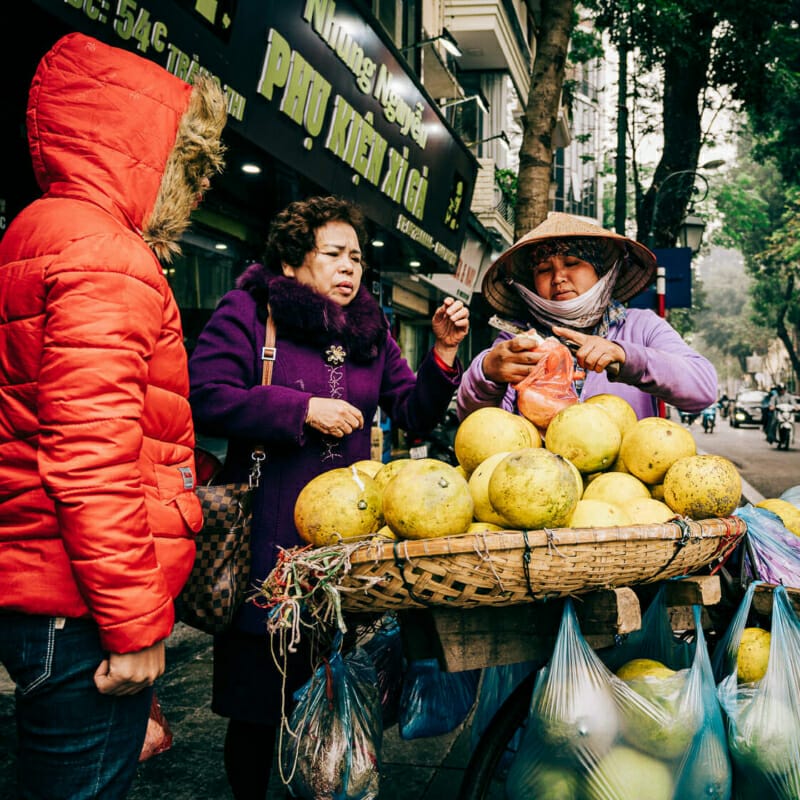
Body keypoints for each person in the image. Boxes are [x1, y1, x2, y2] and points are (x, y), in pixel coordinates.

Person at [0, 33, 227, 798]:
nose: (193, 191)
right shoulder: (104, 254)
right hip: (81, 608)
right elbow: (90, 455)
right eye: (188, 166)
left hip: (50, 588)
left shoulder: (39, 231)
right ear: (141, 148)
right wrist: (134, 628)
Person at [188, 195, 469, 799]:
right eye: (334, 254)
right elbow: (205, 393)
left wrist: (443, 354)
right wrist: (300, 409)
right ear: (293, 262)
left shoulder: (372, 328)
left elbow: (414, 414)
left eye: (357, 258)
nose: (350, 268)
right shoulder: (249, 310)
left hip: (348, 551)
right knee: (258, 708)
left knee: (341, 695)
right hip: (267, 546)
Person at [458, 212, 717, 421]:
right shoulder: (518, 340)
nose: (558, 278)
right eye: (544, 269)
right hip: (537, 479)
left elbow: (702, 389)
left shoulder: (642, 327)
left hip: (621, 483)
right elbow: (479, 424)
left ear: (600, 272)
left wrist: (625, 357)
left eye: (572, 263)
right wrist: (486, 372)